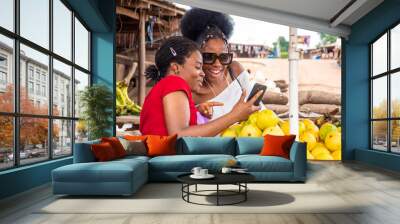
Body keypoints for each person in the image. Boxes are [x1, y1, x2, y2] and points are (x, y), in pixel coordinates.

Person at [139, 36, 262, 137]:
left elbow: (166, 124)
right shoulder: (174, 83)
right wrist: (234, 116)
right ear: (175, 68)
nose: (202, 73)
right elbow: (179, 135)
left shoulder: (167, 86)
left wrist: (196, 111)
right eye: (198, 67)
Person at [180, 8, 264, 120]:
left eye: (224, 57)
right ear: (196, 56)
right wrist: (197, 111)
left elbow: (257, 108)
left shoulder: (235, 70)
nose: (217, 64)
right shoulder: (191, 91)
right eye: (209, 57)